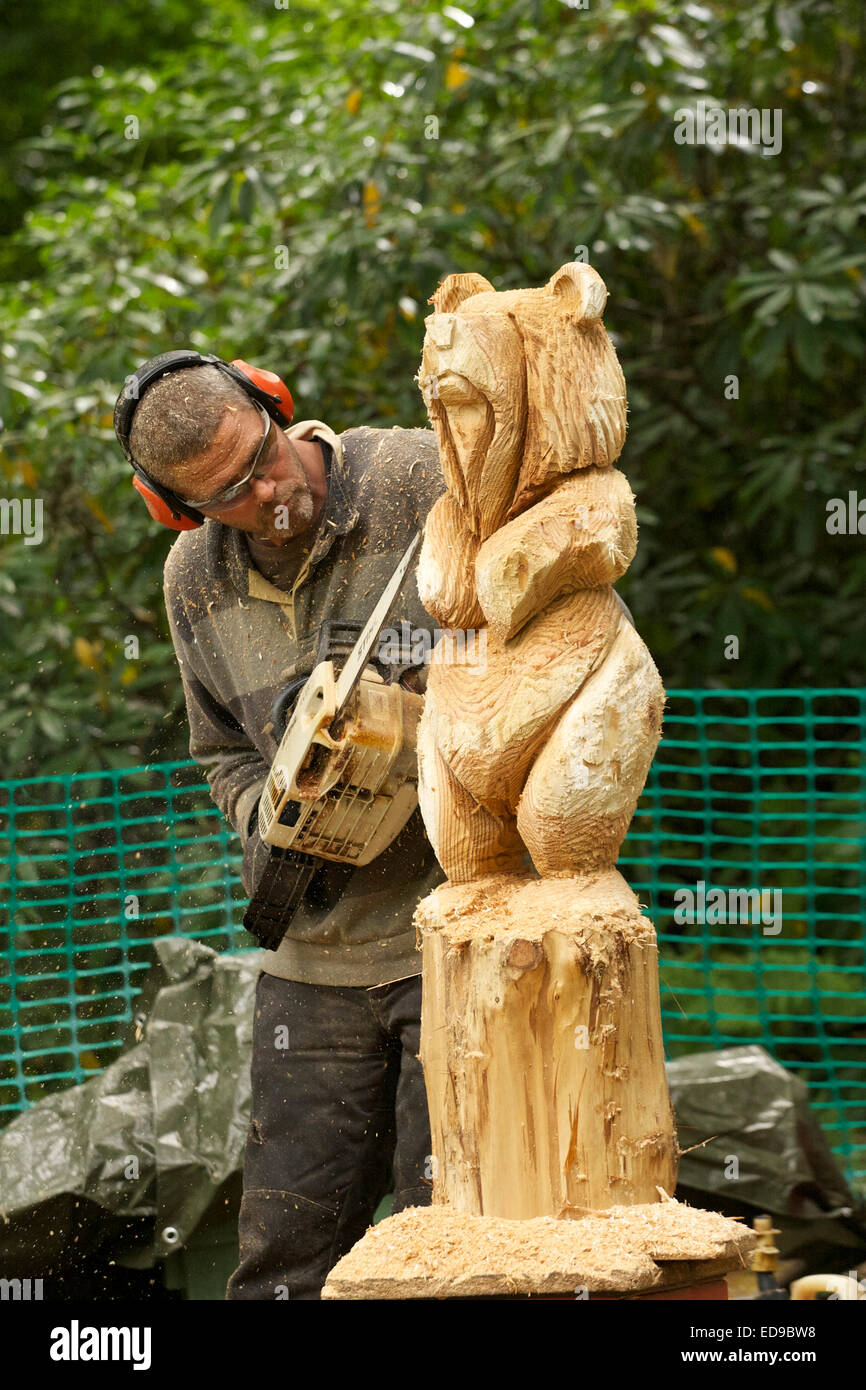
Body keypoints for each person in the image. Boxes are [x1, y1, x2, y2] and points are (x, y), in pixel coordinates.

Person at [116, 354, 445, 1298]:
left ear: (274, 406)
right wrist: (280, 806)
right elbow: (219, 751)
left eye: (263, 456)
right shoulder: (193, 579)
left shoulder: (418, 476)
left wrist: (411, 712)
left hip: (452, 932)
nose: (269, 491)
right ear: (179, 509)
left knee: (448, 1240)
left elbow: (544, 630)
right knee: (284, 1259)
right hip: (314, 957)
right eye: (229, 494)